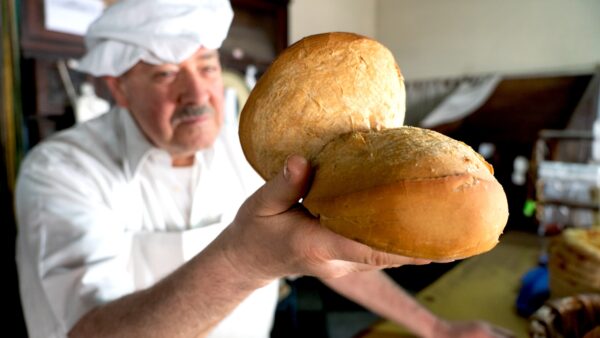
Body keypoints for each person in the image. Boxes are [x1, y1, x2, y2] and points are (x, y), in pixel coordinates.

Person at [15, 0, 514, 337]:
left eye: (206, 67)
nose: (198, 95)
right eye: (165, 74)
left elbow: (327, 252)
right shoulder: (61, 172)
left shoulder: (252, 150)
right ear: (117, 88)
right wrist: (243, 262)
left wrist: (437, 329)